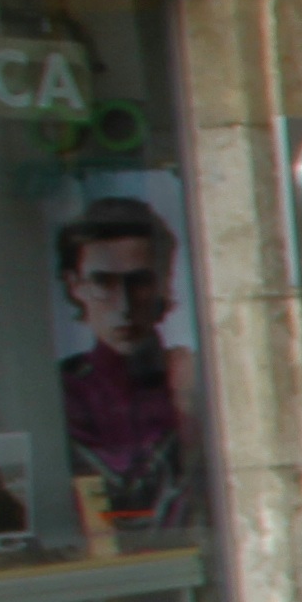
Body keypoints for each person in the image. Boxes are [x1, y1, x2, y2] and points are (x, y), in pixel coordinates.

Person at [54, 200, 197, 533]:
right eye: (103, 283)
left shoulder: (194, 380)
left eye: (139, 282)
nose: (124, 306)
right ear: (75, 286)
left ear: (162, 281)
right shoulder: (62, 392)